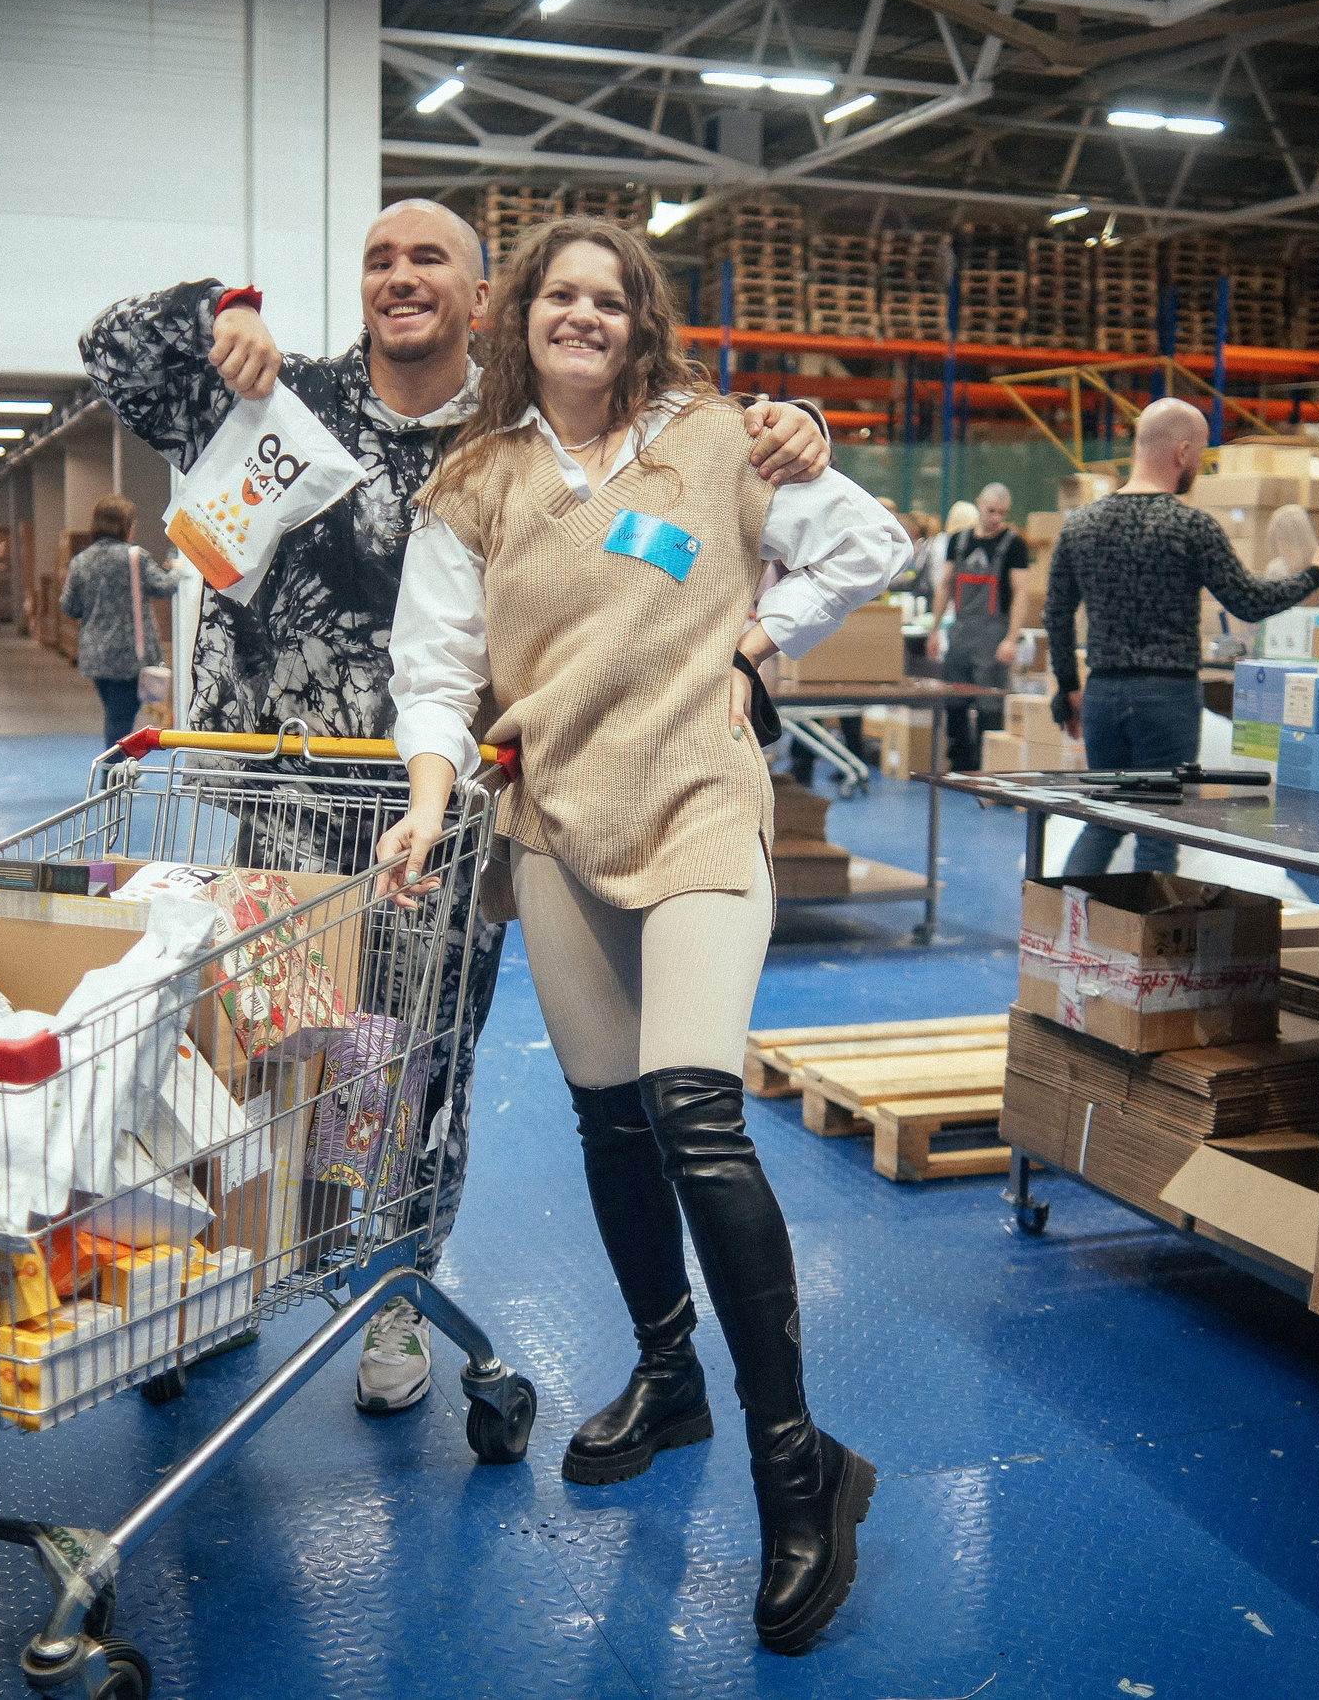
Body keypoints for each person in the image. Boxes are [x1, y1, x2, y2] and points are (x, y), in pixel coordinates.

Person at [81, 200, 833, 1416]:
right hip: (279, 796)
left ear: (485, 299)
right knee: (243, 1059)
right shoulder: (281, 400)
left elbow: (703, 463)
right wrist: (218, 317)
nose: (399, 276)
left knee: (418, 1074)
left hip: (455, 814)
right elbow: (112, 349)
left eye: (430, 258)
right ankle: (207, 1279)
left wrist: (802, 426)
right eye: (379, 259)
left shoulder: (520, 427)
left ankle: (391, 1301)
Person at [378, 216, 907, 1655]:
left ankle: (800, 1462)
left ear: (640, 321)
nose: (586, 316)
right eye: (562, 294)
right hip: (553, 821)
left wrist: (763, 634)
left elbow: (873, 539)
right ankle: (666, 1372)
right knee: (609, 1118)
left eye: (612, 299)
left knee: (694, 1108)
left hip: (695, 802)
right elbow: (433, 669)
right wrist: (428, 800)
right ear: (522, 319)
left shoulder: (720, 438)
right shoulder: (474, 481)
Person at [1044, 399, 1319, 877]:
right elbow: (1250, 601)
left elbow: (1056, 614)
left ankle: (1069, 929)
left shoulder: (1080, 525)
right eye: (1201, 456)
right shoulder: (1191, 526)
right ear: (1181, 452)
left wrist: (1069, 688)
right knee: (1159, 831)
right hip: (1167, 697)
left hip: (1103, 693)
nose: (1198, 467)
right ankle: (1150, 949)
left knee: (1104, 821)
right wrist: (1316, 574)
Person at [57, 494, 178, 746]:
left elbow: (69, 606)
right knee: (120, 720)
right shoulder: (135, 557)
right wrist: (179, 569)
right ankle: (112, 775)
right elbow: (164, 587)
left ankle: (118, 772)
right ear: (125, 525)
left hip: (95, 655)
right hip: (131, 655)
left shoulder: (81, 561)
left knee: (116, 715)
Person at [927, 482, 1028, 771]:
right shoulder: (958, 542)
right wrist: (935, 630)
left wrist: (1011, 638)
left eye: (1003, 512)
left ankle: (987, 769)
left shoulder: (1013, 545)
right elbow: (944, 586)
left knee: (989, 706)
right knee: (954, 701)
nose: (996, 517)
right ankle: (959, 766)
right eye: (991, 510)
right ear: (979, 505)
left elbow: (1021, 593)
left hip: (993, 636)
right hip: (959, 634)